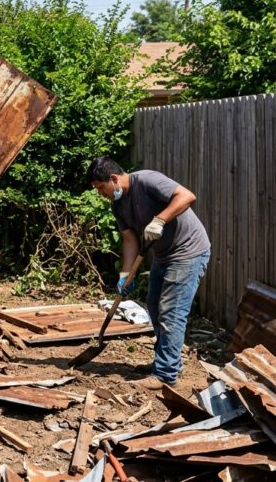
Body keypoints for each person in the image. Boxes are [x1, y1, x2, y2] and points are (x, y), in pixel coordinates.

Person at [87, 157, 211, 390]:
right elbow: (130, 238)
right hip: (163, 255)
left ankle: (165, 374)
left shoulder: (147, 180)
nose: (101, 193)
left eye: (101, 188)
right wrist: (126, 274)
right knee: (154, 306)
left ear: (113, 179)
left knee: (171, 312)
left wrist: (160, 219)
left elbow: (186, 196)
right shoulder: (118, 205)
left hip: (188, 251)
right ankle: (166, 360)